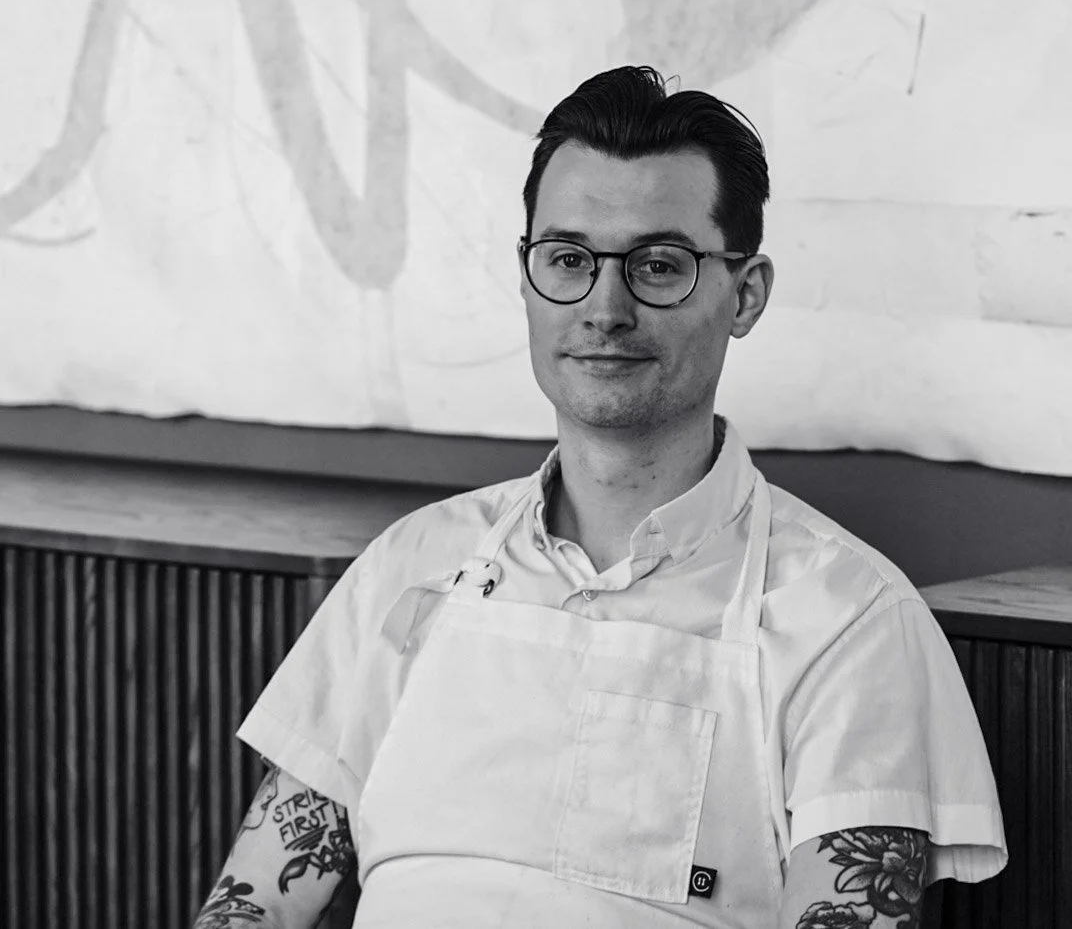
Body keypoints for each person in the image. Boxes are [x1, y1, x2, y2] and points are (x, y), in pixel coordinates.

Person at [194, 65, 1006, 928]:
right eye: (569, 259)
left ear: (747, 295)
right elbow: (254, 905)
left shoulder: (850, 617)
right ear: (527, 278)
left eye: (659, 264)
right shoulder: (410, 565)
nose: (605, 307)